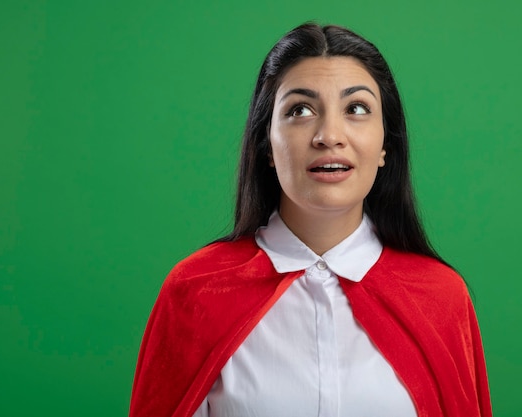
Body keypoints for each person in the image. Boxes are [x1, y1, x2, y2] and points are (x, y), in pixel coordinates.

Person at [129, 23, 493, 417]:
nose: (329, 135)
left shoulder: (440, 298)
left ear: (386, 144)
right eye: (299, 110)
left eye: (356, 109)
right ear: (266, 144)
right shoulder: (195, 293)